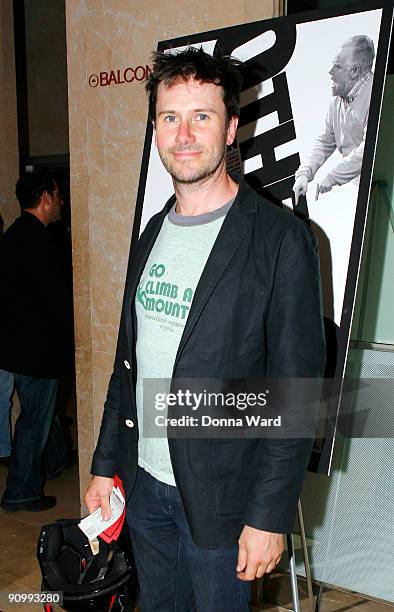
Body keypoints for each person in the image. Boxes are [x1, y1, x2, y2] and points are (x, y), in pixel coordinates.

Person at [85, 48, 325, 611]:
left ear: (232, 125)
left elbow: (296, 396)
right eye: (171, 118)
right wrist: (103, 466)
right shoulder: (151, 233)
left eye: (202, 116)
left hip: (223, 501)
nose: (184, 134)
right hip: (144, 489)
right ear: (155, 129)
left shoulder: (281, 241)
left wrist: (268, 518)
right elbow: (129, 362)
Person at [0, 171, 73, 512]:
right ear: (45, 198)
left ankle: (57, 459)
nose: (61, 203)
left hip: (15, 348)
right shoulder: (41, 242)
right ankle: (21, 491)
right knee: (35, 419)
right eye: (58, 196)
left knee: (44, 414)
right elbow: (55, 302)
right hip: (37, 352)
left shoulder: (13, 235)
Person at [293, 35, 375, 204]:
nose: (330, 72)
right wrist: (304, 174)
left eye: (337, 67)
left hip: (376, 190)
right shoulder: (337, 102)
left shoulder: (376, 95)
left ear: (355, 71)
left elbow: (368, 150)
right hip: (355, 192)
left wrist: (332, 177)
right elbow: (325, 142)